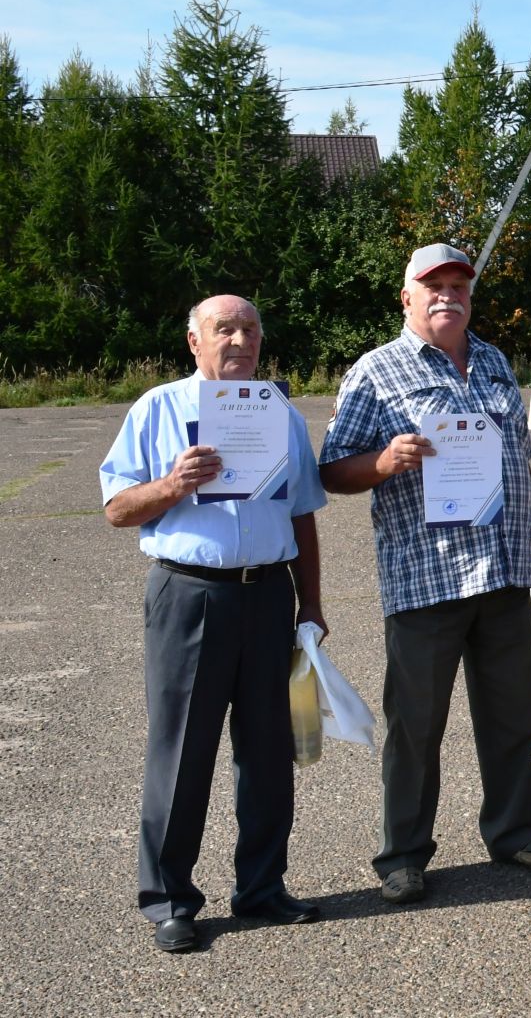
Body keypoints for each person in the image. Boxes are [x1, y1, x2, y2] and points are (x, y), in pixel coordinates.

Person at [320, 242, 531, 906]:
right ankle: (403, 855)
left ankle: (515, 832)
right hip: (424, 578)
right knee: (416, 724)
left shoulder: (493, 362)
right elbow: (330, 470)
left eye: (458, 284)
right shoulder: (376, 372)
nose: (447, 295)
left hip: (500, 573)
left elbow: (514, 460)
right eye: (432, 285)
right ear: (405, 296)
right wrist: (381, 463)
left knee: (514, 715)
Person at [100, 295, 327, 953]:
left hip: (266, 598)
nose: (239, 339)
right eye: (223, 328)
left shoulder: (279, 412)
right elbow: (117, 508)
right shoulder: (159, 409)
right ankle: (169, 899)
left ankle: (262, 887)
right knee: (183, 751)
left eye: (250, 328)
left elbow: (303, 512)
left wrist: (310, 604)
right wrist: (173, 485)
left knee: (267, 751)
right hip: (191, 596)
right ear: (193, 340)